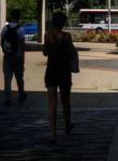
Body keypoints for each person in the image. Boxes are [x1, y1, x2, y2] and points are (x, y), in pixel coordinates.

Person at [42, 12, 77, 143]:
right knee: (65, 100)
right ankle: (67, 125)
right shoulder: (67, 36)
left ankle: (53, 133)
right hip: (64, 71)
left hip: (51, 70)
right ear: (63, 23)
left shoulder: (48, 36)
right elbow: (70, 53)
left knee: (52, 102)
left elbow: (45, 52)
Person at [1, 9, 27, 107]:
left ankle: (7, 98)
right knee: (19, 76)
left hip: (7, 56)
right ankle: (21, 93)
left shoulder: (5, 28)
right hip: (18, 56)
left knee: (7, 77)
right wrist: (23, 58)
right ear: (19, 17)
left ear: (11, 16)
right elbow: (22, 45)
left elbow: (2, 41)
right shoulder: (21, 29)